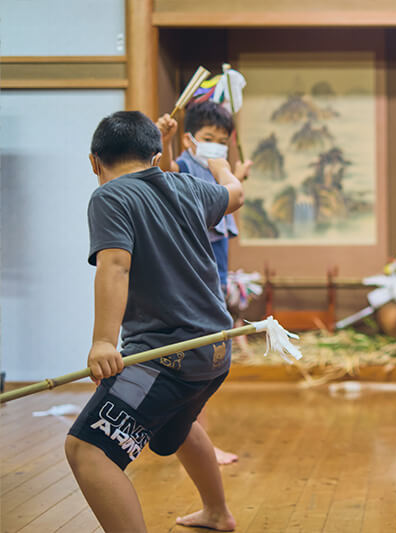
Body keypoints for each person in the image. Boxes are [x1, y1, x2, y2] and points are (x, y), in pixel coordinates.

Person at [64, 110, 244, 532]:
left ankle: (216, 512)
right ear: (157, 155)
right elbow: (234, 195)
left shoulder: (110, 196)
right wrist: (219, 165)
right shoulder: (189, 187)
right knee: (176, 426)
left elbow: (114, 266)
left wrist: (104, 342)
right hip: (215, 351)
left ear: (94, 161)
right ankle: (217, 513)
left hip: (167, 358)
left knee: (87, 450)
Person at [157, 101, 252, 465]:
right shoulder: (183, 166)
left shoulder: (218, 169)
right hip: (194, 280)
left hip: (215, 274)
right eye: (208, 139)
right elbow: (165, 170)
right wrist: (165, 142)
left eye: (221, 140)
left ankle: (197, 442)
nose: (215, 145)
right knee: (201, 360)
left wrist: (235, 173)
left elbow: (229, 200)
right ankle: (199, 444)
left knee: (209, 359)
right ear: (188, 139)